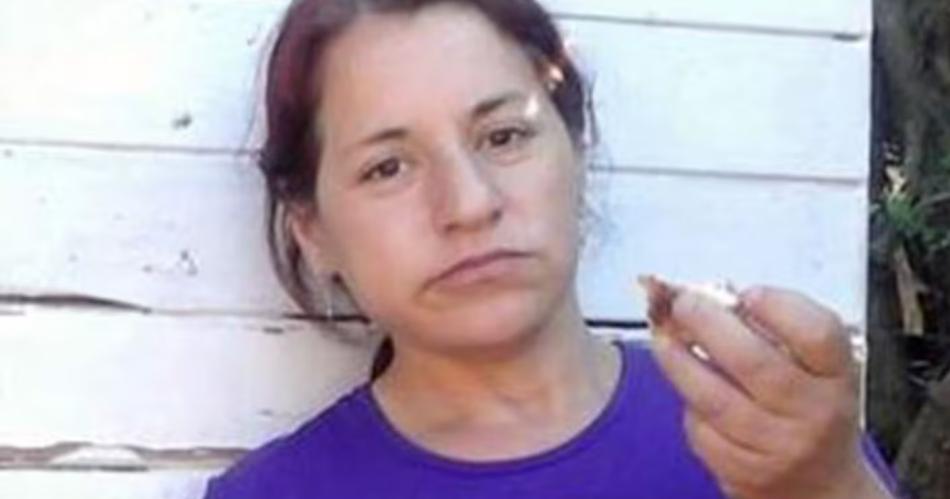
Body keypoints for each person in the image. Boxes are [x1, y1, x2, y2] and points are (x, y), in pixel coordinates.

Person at [204, 0, 900, 497]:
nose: (470, 203)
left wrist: (833, 485)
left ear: (577, 147)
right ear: (312, 229)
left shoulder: (765, 429)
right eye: (388, 167)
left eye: (504, 136)